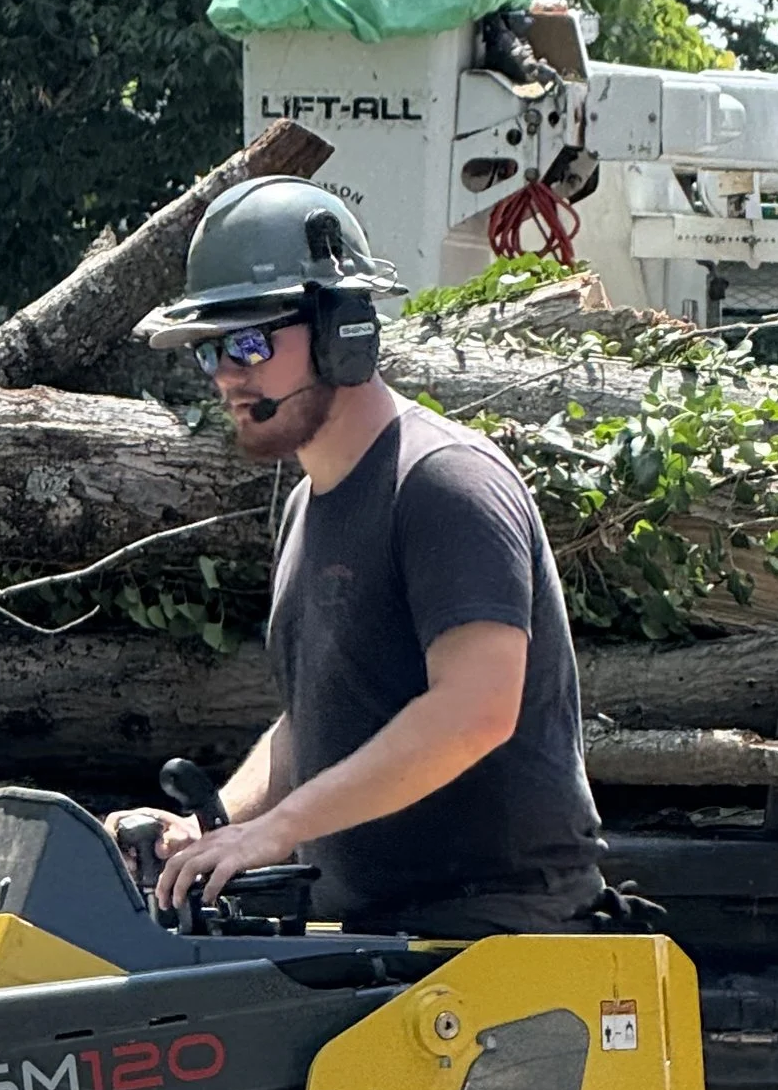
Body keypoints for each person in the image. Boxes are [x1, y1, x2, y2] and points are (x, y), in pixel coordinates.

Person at [131, 175, 604, 933]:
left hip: (500, 941)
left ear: (343, 331)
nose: (226, 373)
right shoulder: (307, 507)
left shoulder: (443, 482)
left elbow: (475, 710)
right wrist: (220, 824)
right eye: (208, 351)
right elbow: (311, 728)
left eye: (248, 341)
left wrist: (279, 830)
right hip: (379, 941)